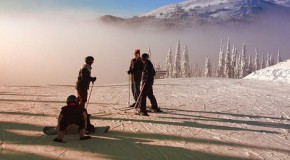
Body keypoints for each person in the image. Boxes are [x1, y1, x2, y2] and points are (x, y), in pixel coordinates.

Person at [76, 56, 96, 133]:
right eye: (92, 61)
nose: (93, 62)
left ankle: (79, 111)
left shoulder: (86, 67)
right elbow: (84, 77)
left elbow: (85, 77)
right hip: (82, 86)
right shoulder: (85, 67)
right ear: (90, 61)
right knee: (82, 99)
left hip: (81, 86)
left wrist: (91, 78)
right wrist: (91, 79)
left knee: (80, 99)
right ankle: (80, 113)